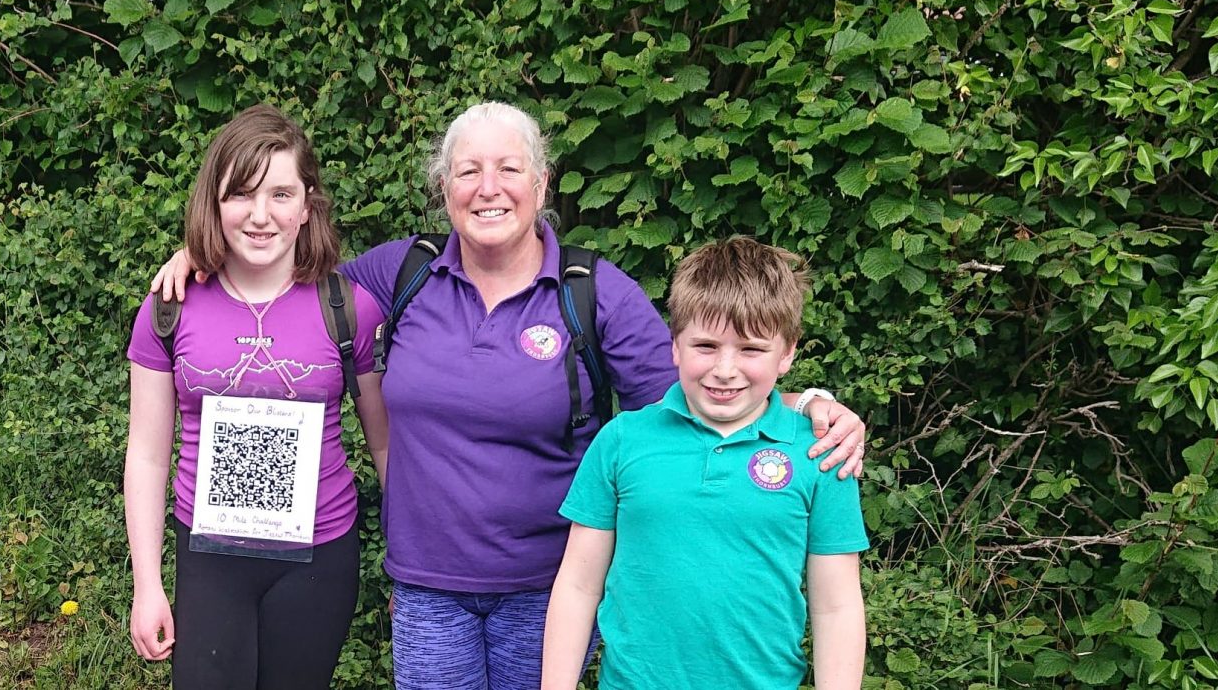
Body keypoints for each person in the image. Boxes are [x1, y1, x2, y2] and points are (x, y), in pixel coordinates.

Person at [153, 102, 869, 689]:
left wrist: (806, 404)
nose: (487, 187)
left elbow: (699, 389)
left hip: (549, 585)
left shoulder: (594, 292)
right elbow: (290, 275)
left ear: (542, 183)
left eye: (509, 168)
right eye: (468, 171)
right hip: (429, 587)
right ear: (445, 188)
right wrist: (207, 253)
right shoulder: (400, 273)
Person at [123, 105, 391, 689]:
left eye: (281, 194)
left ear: (307, 204)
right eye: (241, 194)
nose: (261, 215)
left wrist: (417, 564)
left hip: (319, 556)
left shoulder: (349, 308)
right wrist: (147, 584)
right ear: (214, 202)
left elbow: (386, 449)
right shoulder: (169, 307)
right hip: (210, 556)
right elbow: (146, 455)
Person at [541, 237, 867, 689]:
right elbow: (578, 586)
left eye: (751, 349)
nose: (725, 369)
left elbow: (837, 607)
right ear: (675, 345)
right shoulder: (622, 440)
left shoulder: (822, 453)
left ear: (787, 353)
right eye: (706, 346)